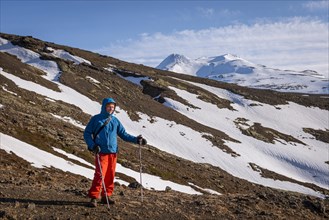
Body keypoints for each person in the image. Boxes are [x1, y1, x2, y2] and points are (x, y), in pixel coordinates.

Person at [84, 97, 147, 207]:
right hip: (101, 152)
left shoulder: (115, 121)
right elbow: (87, 133)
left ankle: (106, 196)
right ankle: (94, 197)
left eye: (112, 107)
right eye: (109, 107)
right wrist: (92, 145)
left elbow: (124, 134)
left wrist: (136, 140)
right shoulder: (96, 119)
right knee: (100, 175)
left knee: (110, 175)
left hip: (113, 152)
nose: (111, 109)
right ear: (104, 107)